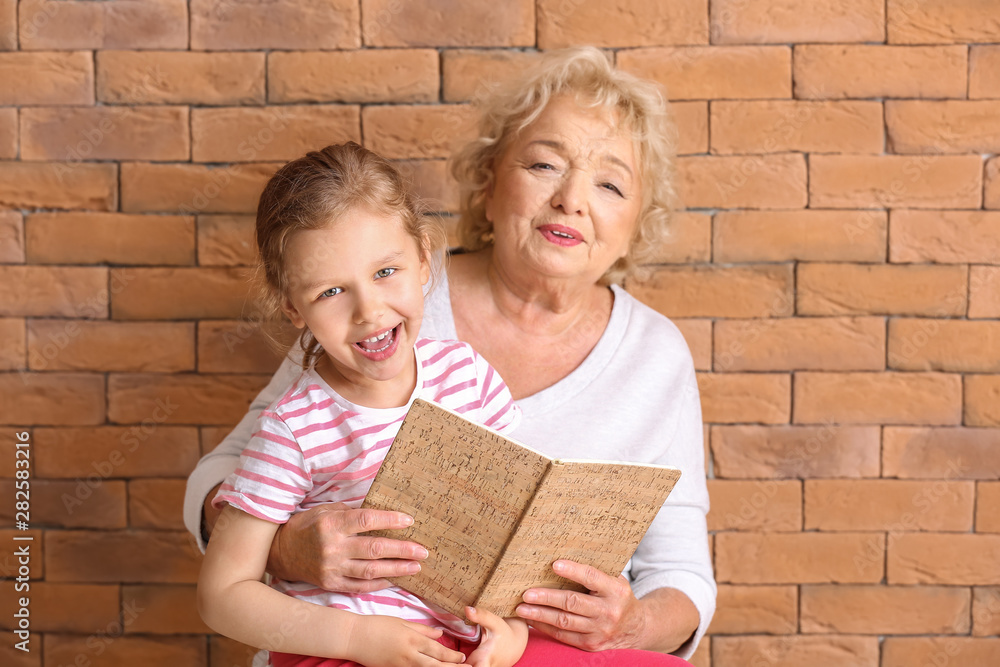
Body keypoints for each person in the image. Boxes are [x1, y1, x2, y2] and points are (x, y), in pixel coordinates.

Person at [187, 46, 715, 661]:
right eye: (545, 164)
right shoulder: (380, 298)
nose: (572, 198)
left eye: (610, 183)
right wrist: (288, 546)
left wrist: (625, 624)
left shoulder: (647, 355)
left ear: (636, 221)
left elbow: (681, 574)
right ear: (488, 185)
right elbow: (226, 484)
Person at [198, 143, 529, 667]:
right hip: (340, 652)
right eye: (331, 291)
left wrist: (512, 633)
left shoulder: (468, 378)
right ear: (292, 307)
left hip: (467, 648)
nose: (369, 311)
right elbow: (222, 595)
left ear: (423, 258)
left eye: (384, 272)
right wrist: (356, 639)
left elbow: (515, 537)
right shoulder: (293, 429)